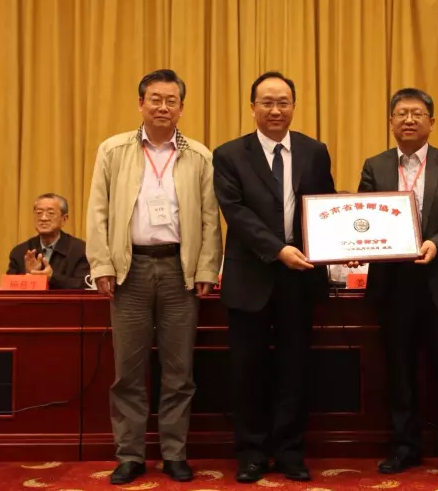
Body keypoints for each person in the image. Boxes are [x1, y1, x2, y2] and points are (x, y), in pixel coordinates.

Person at [86, 69, 222, 485]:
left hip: (180, 271)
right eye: (155, 99)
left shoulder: (199, 156)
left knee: (179, 371)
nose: (163, 107)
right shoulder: (113, 150)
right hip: (131, 270)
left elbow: (210, 218)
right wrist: (102, 264)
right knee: (128, 371)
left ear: (181, 107)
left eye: (171, 100)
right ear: (141, 103)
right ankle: (129, 455)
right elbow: (98, 211)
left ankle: (174, 453)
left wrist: (207, 268)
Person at [213, 71, 336, 483]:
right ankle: (250, 453)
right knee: (246, 371)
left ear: (294, 106)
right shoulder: (229, 155)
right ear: (252, 108)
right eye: (267, 102)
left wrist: (341, 246)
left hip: (300, 279)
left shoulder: (314, 151)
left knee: (294, 369)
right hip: (251, 277)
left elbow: (325, 206)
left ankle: (289, 451)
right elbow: (236, 213)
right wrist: (278, 250)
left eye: (283, 102)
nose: (275, 110)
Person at [357, 88, 438, 478]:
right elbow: (362, 218)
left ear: (431, 122)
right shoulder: (375, 165)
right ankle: (404, 447)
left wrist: (436, 243)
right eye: (402, 113)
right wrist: (353, 244)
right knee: (399, 371)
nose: (409, 119)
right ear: (391, 122)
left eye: (417, 113)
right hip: (392, 285)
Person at [7, 193, 89, 289]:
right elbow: (8, 289)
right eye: (39, 213)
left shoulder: (80, 250)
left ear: (64, 219)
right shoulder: (20, 252)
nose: (43, 218)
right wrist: (29, 276)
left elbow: (86, 285)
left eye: (50, 213)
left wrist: (51, 277)